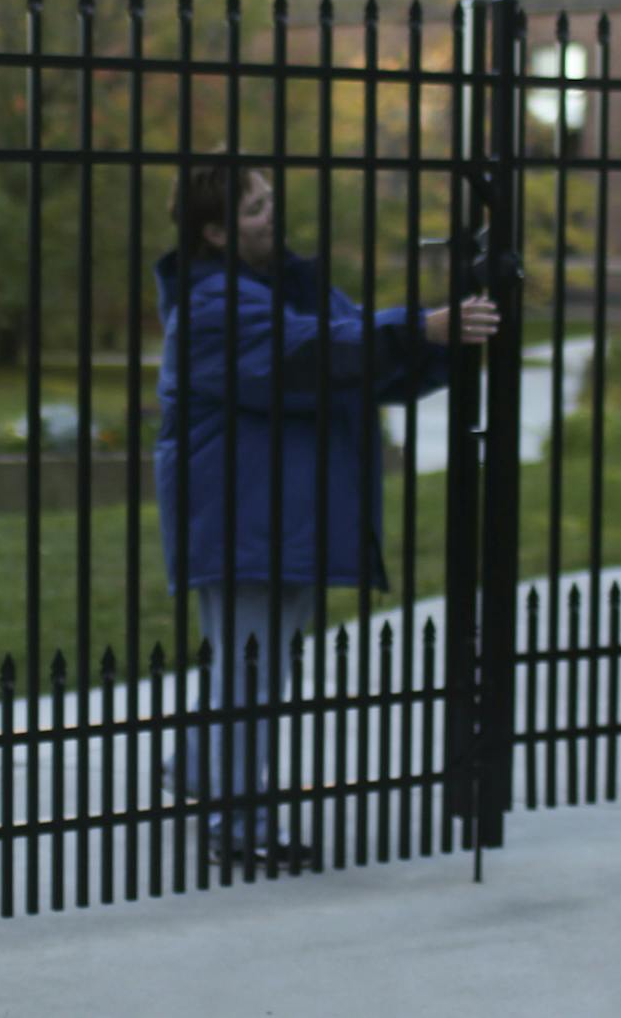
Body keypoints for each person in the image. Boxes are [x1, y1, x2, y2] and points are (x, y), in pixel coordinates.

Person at [153, 161, 499, 869]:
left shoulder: (285, 287)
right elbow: (307, 357)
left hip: (283, 514)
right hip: (242, 516)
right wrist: (421, 329)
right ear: (215, 231)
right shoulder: (213, 304)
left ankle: (197, 773)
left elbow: (357, 351)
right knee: (250, 669)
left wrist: (444, 335)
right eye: (255, 210)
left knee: (251, 664)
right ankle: (238, 828)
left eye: (270, 202)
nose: (272, 217)